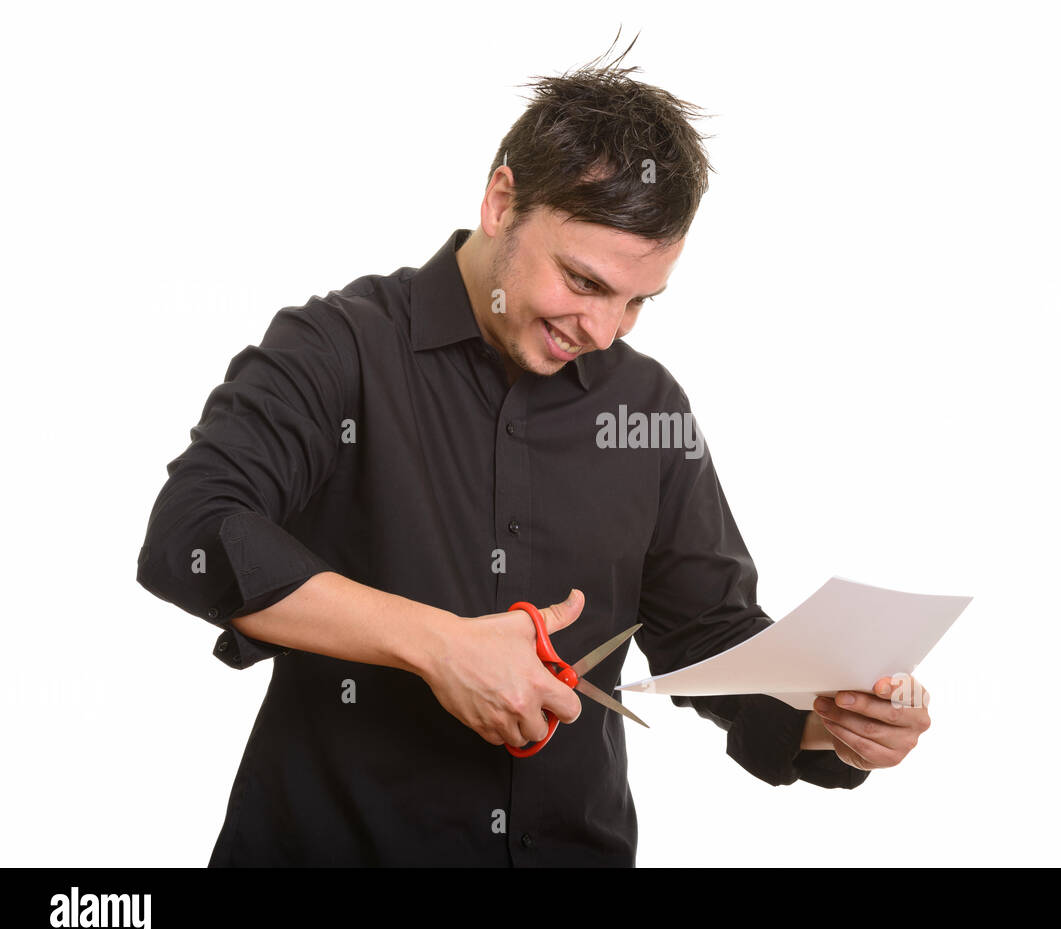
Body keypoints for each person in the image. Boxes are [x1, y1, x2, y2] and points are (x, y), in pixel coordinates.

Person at [135, 45, 931, 867]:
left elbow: (709, 631)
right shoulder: (340, 347)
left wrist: (826, 717)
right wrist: (437, 644)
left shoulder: (646, 407)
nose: (603, 330)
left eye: (637, 301)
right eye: (584, 282)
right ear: (501, 199)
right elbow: (193, 531)